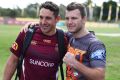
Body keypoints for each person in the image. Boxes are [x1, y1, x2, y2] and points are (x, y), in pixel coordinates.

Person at [3, 1, 67, 80]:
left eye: (48, 18)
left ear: (57, 19)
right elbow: (13, 61)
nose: (43, 22)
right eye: (41, 17)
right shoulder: (27, 33)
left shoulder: (63, 38)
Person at [63, 2, 106, 80]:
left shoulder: (95, 45)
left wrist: (74, 63)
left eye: (74, 18)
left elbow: (100, 76)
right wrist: (38, 26)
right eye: (67, 18)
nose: (69, 22)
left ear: (84, 19)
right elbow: (54, 32)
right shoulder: (70, 36)